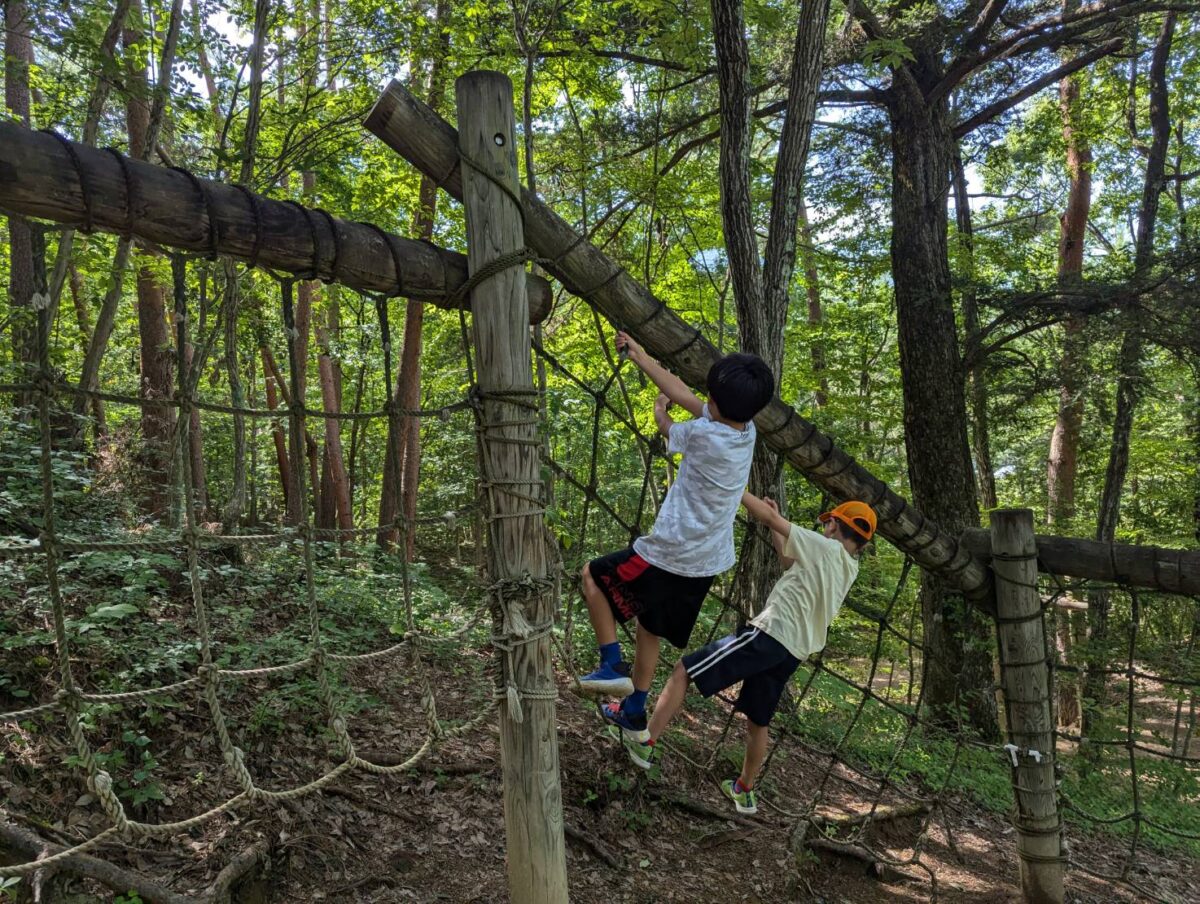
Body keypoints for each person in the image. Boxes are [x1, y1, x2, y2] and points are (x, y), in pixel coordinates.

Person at [612, 492, 876, 814]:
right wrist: (775, 531)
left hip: (770, 635)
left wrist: (731, 486)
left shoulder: (826, 548)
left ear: (834, 525)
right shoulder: (848, 567)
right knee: (758, 719)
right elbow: (788, 561)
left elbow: (770, 518)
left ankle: (645, 742)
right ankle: (745, 790)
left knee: (684, 670)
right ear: (861, 544)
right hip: (792, 653)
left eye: (828, 524)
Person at [576, 331, 774, 740]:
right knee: (650, 629)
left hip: (668, 553)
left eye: (710, 398)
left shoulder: (702, 435)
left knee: (591, 576)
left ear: (715, 404)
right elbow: (686, 394)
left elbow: (668, 425)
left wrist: (659, 410)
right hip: (705, 566)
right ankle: (633, 712)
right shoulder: (746, 431)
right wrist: (642, 355)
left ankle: (611, 663)